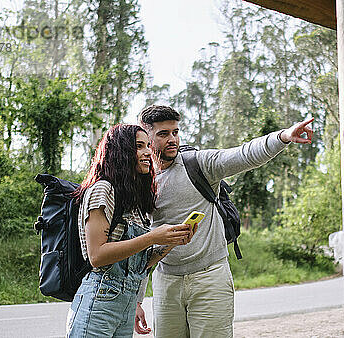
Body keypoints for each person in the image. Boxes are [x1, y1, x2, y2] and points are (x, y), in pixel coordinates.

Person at [135, 105, 314, 337]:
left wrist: (283, 137)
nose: (173, 139)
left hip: (210, 278)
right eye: (163, 134)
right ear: (145, 136)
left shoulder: (198, 164)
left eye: (176, 132)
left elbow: (244, 154)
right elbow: (139, 243)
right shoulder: (140, 181)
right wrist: (138, 299)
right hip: (165, 281)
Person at [66, 124, 195, 338]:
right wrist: (152, 236)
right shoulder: (102, 189)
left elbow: (139, 264)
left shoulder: (134, 201)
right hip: (99, 299)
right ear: (121, 152)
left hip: (126, 302)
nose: (147, 152)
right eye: (139, 146)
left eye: (147, 146)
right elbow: (97, 256)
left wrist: (172, 241)